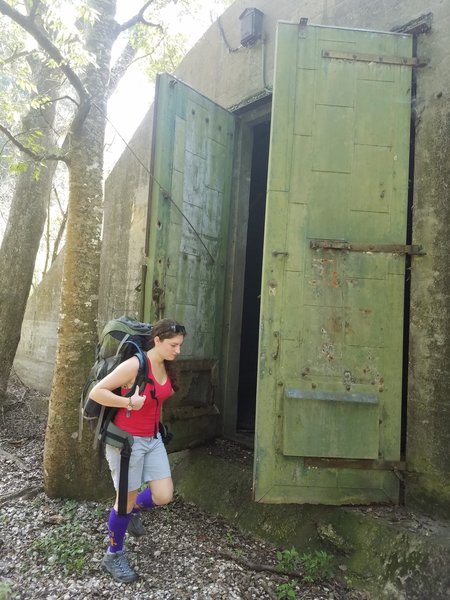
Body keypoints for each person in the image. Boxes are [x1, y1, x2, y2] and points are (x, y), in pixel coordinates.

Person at [90, 318, 186, 583]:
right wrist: (128, 401)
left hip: (152, 439)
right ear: (157, 340)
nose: (177, 351)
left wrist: (156, 427)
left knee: (164, 495)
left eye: (179, 345)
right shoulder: (135, 364)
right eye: (173, 345)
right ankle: (113, 554)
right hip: (126, 443)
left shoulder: (166, 366)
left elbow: (159, 399)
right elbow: (97, 393)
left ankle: (131, 513)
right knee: (124, 502)